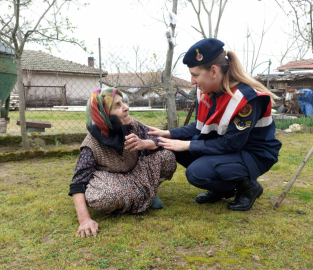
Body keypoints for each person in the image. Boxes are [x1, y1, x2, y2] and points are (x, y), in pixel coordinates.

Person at [149, 38, 282, 211]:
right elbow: (200, 126)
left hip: (253, 154)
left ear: (213, 71)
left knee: (196, 172)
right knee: (173, 147)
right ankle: (221, 188)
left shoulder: (245, 99)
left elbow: (231, 144)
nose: (192, 82)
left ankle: (247, 186)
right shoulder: (206, 92)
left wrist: (187, 144)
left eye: (195, 75)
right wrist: (169, 134)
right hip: (230, 149)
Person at [69, 87, 176, 237]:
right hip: (113, 182)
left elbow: (159, 139)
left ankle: (145, 195)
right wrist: (85, 219)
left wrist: (146, 143)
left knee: (167, 156)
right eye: (117, 106)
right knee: (100, 197)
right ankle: (144, 197)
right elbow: (78, 183)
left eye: (123, 102)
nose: (126, 108)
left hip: (135, 175)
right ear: (104, 115)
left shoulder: (133, 126)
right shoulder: (91, 145)